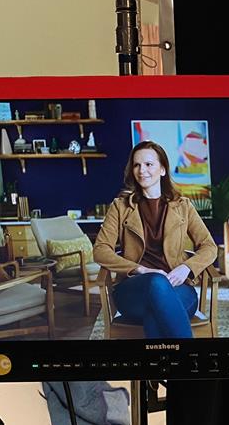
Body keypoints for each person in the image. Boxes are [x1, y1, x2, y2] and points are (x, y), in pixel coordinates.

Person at [93, 141, 218, 338]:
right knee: (157, 283)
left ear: (162, 170)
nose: (142, 170)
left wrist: (186, 268)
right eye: (136, 165)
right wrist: (140, 269)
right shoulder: (120, 206)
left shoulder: (183, 206)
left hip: (178, 288)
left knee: (156, 314)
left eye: (149, 164)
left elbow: (209, 246)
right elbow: (100, 250)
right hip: (134, 290)